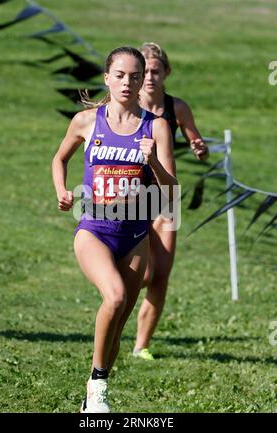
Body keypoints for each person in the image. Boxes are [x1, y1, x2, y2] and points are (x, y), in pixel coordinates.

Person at [51, 46, 177, 413]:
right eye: (119, 75)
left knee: (117, 325)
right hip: (93, 229)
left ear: (143, 81)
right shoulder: (87, 121)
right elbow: (60, 158)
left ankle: (94, 387)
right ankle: (98, 388)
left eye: (135, 76)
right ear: (107, 77)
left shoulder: (157, 127)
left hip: (135, 236)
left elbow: (171, 192)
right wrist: (62, 190)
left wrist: (152, 160)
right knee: (117, 297)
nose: (127, 82)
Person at [132, 42, 209, 361]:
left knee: (160, 276)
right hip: (133, 198)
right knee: (141, 274)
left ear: (167, 73)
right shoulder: (127, 104)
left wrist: (199, 148)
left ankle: (141, 346)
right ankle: (114, 304)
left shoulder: (177, 107)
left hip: (165, 198)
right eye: (145, 72)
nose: (150, 77)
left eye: (156, 71)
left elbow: (195, 140)